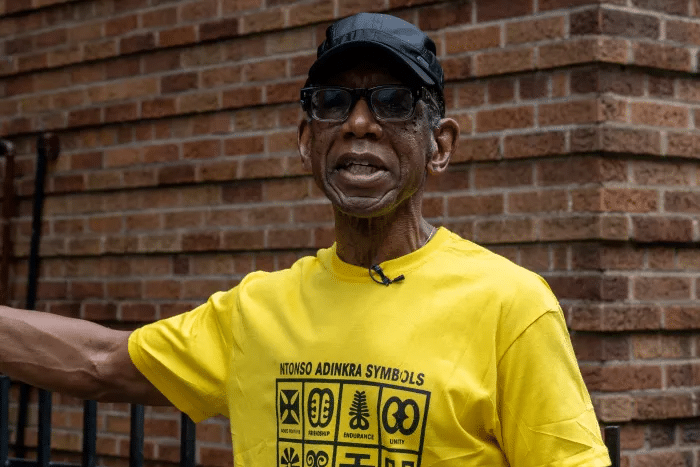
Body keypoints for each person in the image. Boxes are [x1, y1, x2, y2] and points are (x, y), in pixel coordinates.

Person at [0, 12, 612, 467]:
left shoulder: (511, 304)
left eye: (394, 102)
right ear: (306, 142)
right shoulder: (257, 311)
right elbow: (100, 363)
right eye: (332, 102)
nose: (359, 122)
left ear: (440, 145)